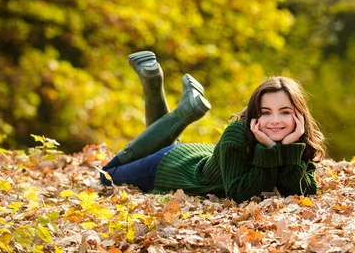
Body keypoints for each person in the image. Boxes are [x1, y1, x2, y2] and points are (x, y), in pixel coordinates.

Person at [100, 51, 325, 203]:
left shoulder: (296, 138)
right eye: (266, 112)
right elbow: (238, 195)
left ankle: (152, 81)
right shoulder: (237, 135)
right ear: (255, 113)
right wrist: (269, 152)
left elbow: (303, 191)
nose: (275, 120)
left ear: (299, 115)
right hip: (170, 167)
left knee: (162, 140)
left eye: (284, 112)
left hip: (194, 155)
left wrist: (288, 146)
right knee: (105, 176)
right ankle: (181, 113)